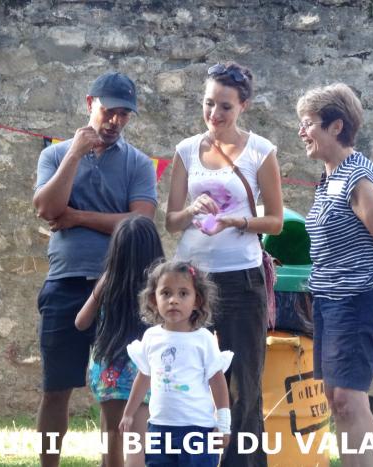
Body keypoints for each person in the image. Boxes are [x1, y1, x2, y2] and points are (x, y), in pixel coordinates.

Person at [33, 71, 157, 467]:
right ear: (90, 104)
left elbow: (140, 222)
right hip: (64, 282)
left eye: (125, 114)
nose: (116, 121)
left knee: (116, 394)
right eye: (109, 111)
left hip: (121, 288)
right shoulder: (55, 156)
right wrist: (74, 153)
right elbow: (46, 208)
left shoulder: (138, 163)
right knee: (55, 389)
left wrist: (77, 216)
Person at [296, 82, 373, 467]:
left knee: (349, 401)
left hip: (355, 301)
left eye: (308, 123)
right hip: (330, 301)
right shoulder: (329, 177)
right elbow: (355, 245)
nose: (302, 132)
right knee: (336, 399)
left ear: (336, 126)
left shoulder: (358, 177)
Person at [165, 62, 283, 467]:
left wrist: (239, 222)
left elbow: (276, 222)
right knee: (183, 378)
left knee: (242, 387)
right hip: (190, 280)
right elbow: (171, 221)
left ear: (243, 106)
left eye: (225, 107)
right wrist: (191, 209)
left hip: (241, 280)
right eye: (208, 103)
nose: (214, 114)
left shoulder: (261, 151)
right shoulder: (185, 149)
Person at [119, 260, 233, 466]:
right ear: (153, 299)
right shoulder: (151, 338)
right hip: (159, 428)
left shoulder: (204, 340)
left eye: (183, 293)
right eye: (166, 293)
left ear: (197, 300)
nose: (173, 300)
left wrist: (224, 425)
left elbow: (218, 383)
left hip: (198, 430)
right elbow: (143, 377)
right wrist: (128, 413)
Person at [75, 215, 164, 467]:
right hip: (144, 372)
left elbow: (81, 322)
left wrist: (102, 283)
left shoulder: (109, 282)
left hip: (108, 368)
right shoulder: (160, 288)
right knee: (137, 442)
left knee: (111, 434)